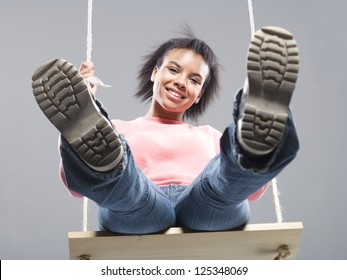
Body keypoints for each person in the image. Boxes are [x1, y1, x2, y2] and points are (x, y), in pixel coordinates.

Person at [31, 26, 299, 234]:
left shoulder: (209, 135)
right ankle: (94, 149)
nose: (181, 82)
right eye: (174, 69)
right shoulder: (118, 130)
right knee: (125, 185)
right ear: (155, 73)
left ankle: (251, 144)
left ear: (198, 95)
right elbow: (74, 184)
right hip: (138, 205)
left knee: (223, 183)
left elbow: (250, 191)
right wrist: (84, 102)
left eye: (194, 80)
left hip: (207, 205)